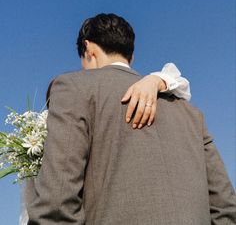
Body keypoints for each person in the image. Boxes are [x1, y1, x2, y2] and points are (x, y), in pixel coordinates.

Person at [26, 13, 236, 224]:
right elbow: (225, 207)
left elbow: (57, 204)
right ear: (131, 57)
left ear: (88, 49)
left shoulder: (74, 87)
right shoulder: (191, 114)